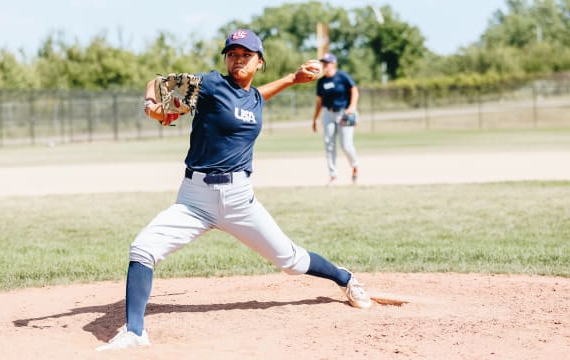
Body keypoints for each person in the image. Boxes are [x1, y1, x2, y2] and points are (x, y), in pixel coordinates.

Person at [96, 29, 372, 351]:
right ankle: (135, 332)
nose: (238, 60)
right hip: (195, 199)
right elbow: (155, 86)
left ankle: (345, 279)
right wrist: (153, 107)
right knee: (142, 249)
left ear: (259, 62)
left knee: (291, 262)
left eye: (246, 55)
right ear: (226, 59)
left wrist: (292, 79)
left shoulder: (252, 98)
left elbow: (256, 96)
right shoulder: (211, 85)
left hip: (240, 200)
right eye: (232, 54)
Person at [312, 53, 361, 184]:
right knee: (329, 144)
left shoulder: (342, 76)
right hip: (327, 113)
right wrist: (315, 119)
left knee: (346, 144)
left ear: (334, 64)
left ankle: (355, 165)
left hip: (344, 112)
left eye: (327, 63)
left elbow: (354, 91)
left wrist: (352, 108)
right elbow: (319, 101)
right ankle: (333, 175)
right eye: (323, 63)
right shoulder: (321, 81)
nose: (325, 65)